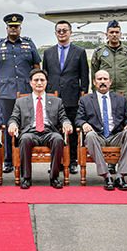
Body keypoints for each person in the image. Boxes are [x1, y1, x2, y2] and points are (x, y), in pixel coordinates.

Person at [0, 13, 41, 174]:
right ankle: (8, 160)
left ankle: (23, 157)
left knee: (25, 126)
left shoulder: (28, 44)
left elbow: (36, 66)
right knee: (6, 126)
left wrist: (37, 87)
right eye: (11, 26)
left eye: (16, 26)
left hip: (26, 93)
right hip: (5, 93)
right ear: (7, 28)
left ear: (20, 28)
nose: (13, 29)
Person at [8, 69, 72, 189]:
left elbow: (63, 118)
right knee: (25, 138)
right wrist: (12, 124)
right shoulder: (20, 101)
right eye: (36, 80)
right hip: (30, 132)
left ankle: (54, 177)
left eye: (42, 80)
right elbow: (13, 118)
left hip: (49, 132)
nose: (39, 83)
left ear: (46, 82)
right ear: (31, 83)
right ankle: (26, 178)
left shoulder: (56, 101)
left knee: (58, 138)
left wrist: (66, 123)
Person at [76, 69, 127, 191]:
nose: (102, 82)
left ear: (110, 82)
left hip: (115, 136)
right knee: (90, 135)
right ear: (94, 82)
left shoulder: (120, 99)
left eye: (105, 79)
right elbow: (78, 119)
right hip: (97, 137)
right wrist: (84, 124)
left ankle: (121, 175)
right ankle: (106, 175)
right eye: (99, 79)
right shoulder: (86, 100)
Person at [42, 20, 89, 175]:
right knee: (54, 131)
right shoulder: (48, 53)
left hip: (72, 97)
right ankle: (57, 161)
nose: (61, 33)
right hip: (53, 98)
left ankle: (73, 161)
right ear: (55, 33)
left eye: (64, 30)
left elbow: (84, 76)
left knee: (73, 132)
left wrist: (82, 96)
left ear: (70, 32)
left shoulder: (79, 52)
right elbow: (45, 76)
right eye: (59, 30)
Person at [90, 20, 127, 110]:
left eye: (117, 32)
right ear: (107, 34)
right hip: (104, 91)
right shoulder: (99, 52)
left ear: (120, 34)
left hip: (123, 92)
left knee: (124, 119)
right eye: (111, 32)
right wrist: (95, 93)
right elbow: (94, 73)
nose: (114, 34)